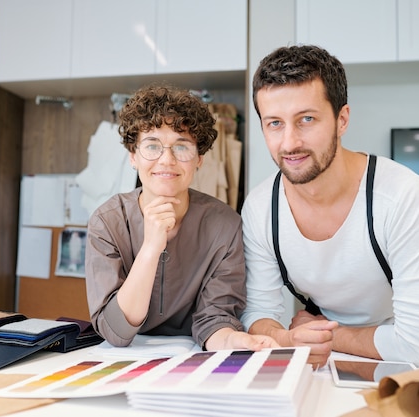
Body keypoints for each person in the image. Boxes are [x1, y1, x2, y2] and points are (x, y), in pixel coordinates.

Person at [240, 45, 419, 368]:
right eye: (275, 123)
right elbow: (258, 313)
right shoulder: (259, 208)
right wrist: (290, 339)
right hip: (321, 362)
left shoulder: (401, 195)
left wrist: (327, 335)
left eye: (306, 119)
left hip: (397, 362)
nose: (289, 142)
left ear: (342, 120)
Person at [85, 84, 278, 351]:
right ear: (133, 156)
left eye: (182, 147)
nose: (167, 160)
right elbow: (115, 330)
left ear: (199, 158)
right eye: (152, 146)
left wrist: (236, 340)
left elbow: (216, 319)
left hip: (195, 356)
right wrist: (151, 247)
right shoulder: (107, 222)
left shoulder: (225, 225)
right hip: (123, 359)